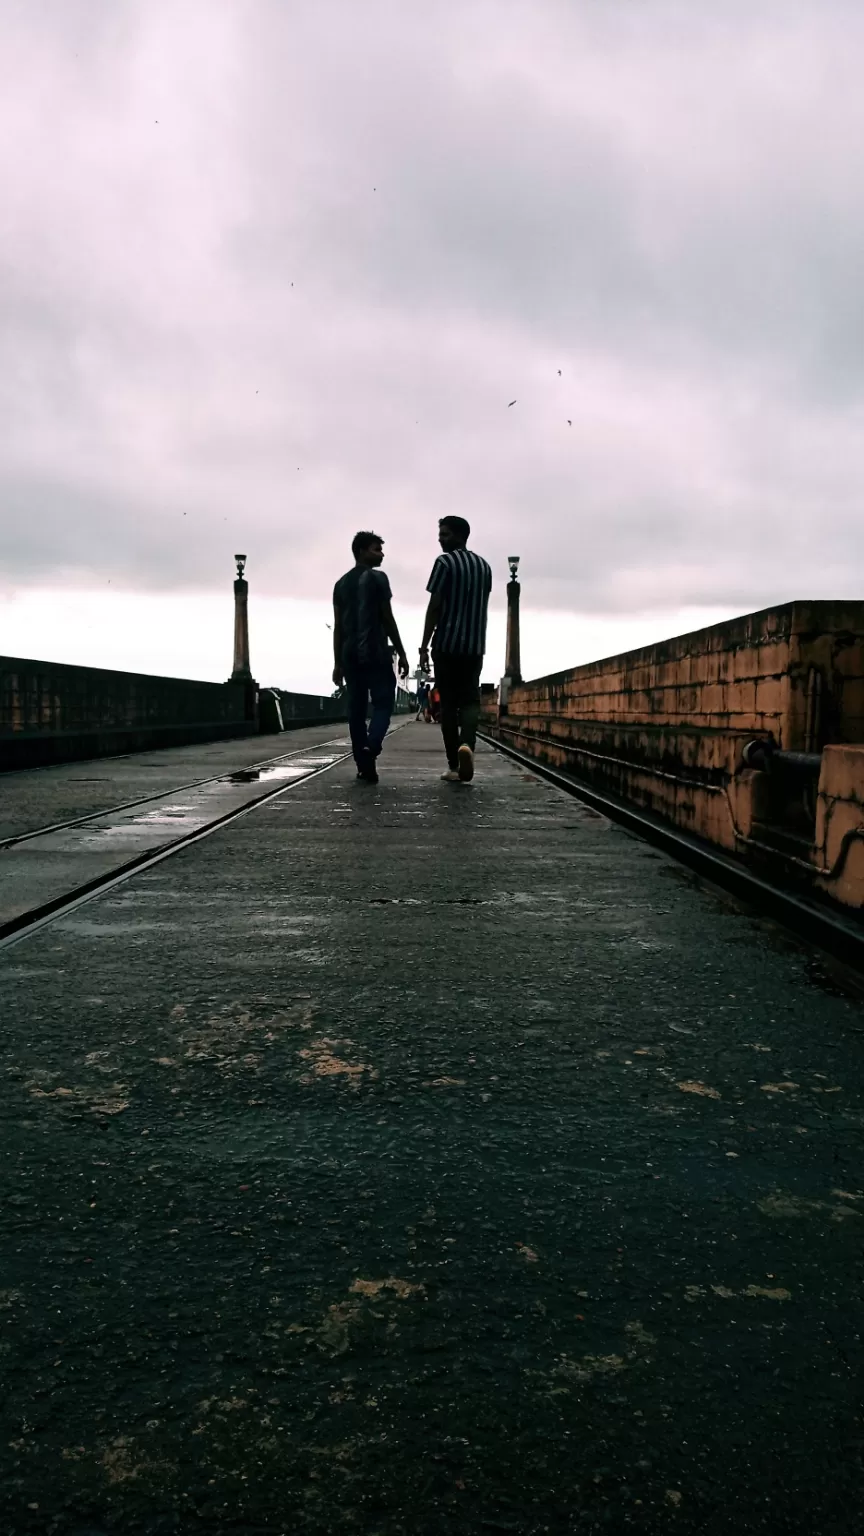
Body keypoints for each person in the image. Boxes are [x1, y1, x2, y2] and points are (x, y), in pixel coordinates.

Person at [419, 516, 492, 782]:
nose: (441, 539)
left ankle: (454, 764)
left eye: (445, 534)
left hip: (446, 644)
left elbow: (435, 605)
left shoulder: (444, 563)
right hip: (474, 646)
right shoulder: (484, 567)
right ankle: (467, 745)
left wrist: (424, 645)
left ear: (461, 535)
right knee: (471, 700)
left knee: (448, 704)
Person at [333, 531, 409, 783]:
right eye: (376, 549)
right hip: (375, 651)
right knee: (383, 703)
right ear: (362, 551)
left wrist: (337, 663)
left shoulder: (341, 584)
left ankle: (364, 766)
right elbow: (387, 618)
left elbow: (339, 628)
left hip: (349, 654)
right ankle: (372, 744)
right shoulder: (378, 579)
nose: (382, 554)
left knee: (355, 709)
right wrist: (402, 651)